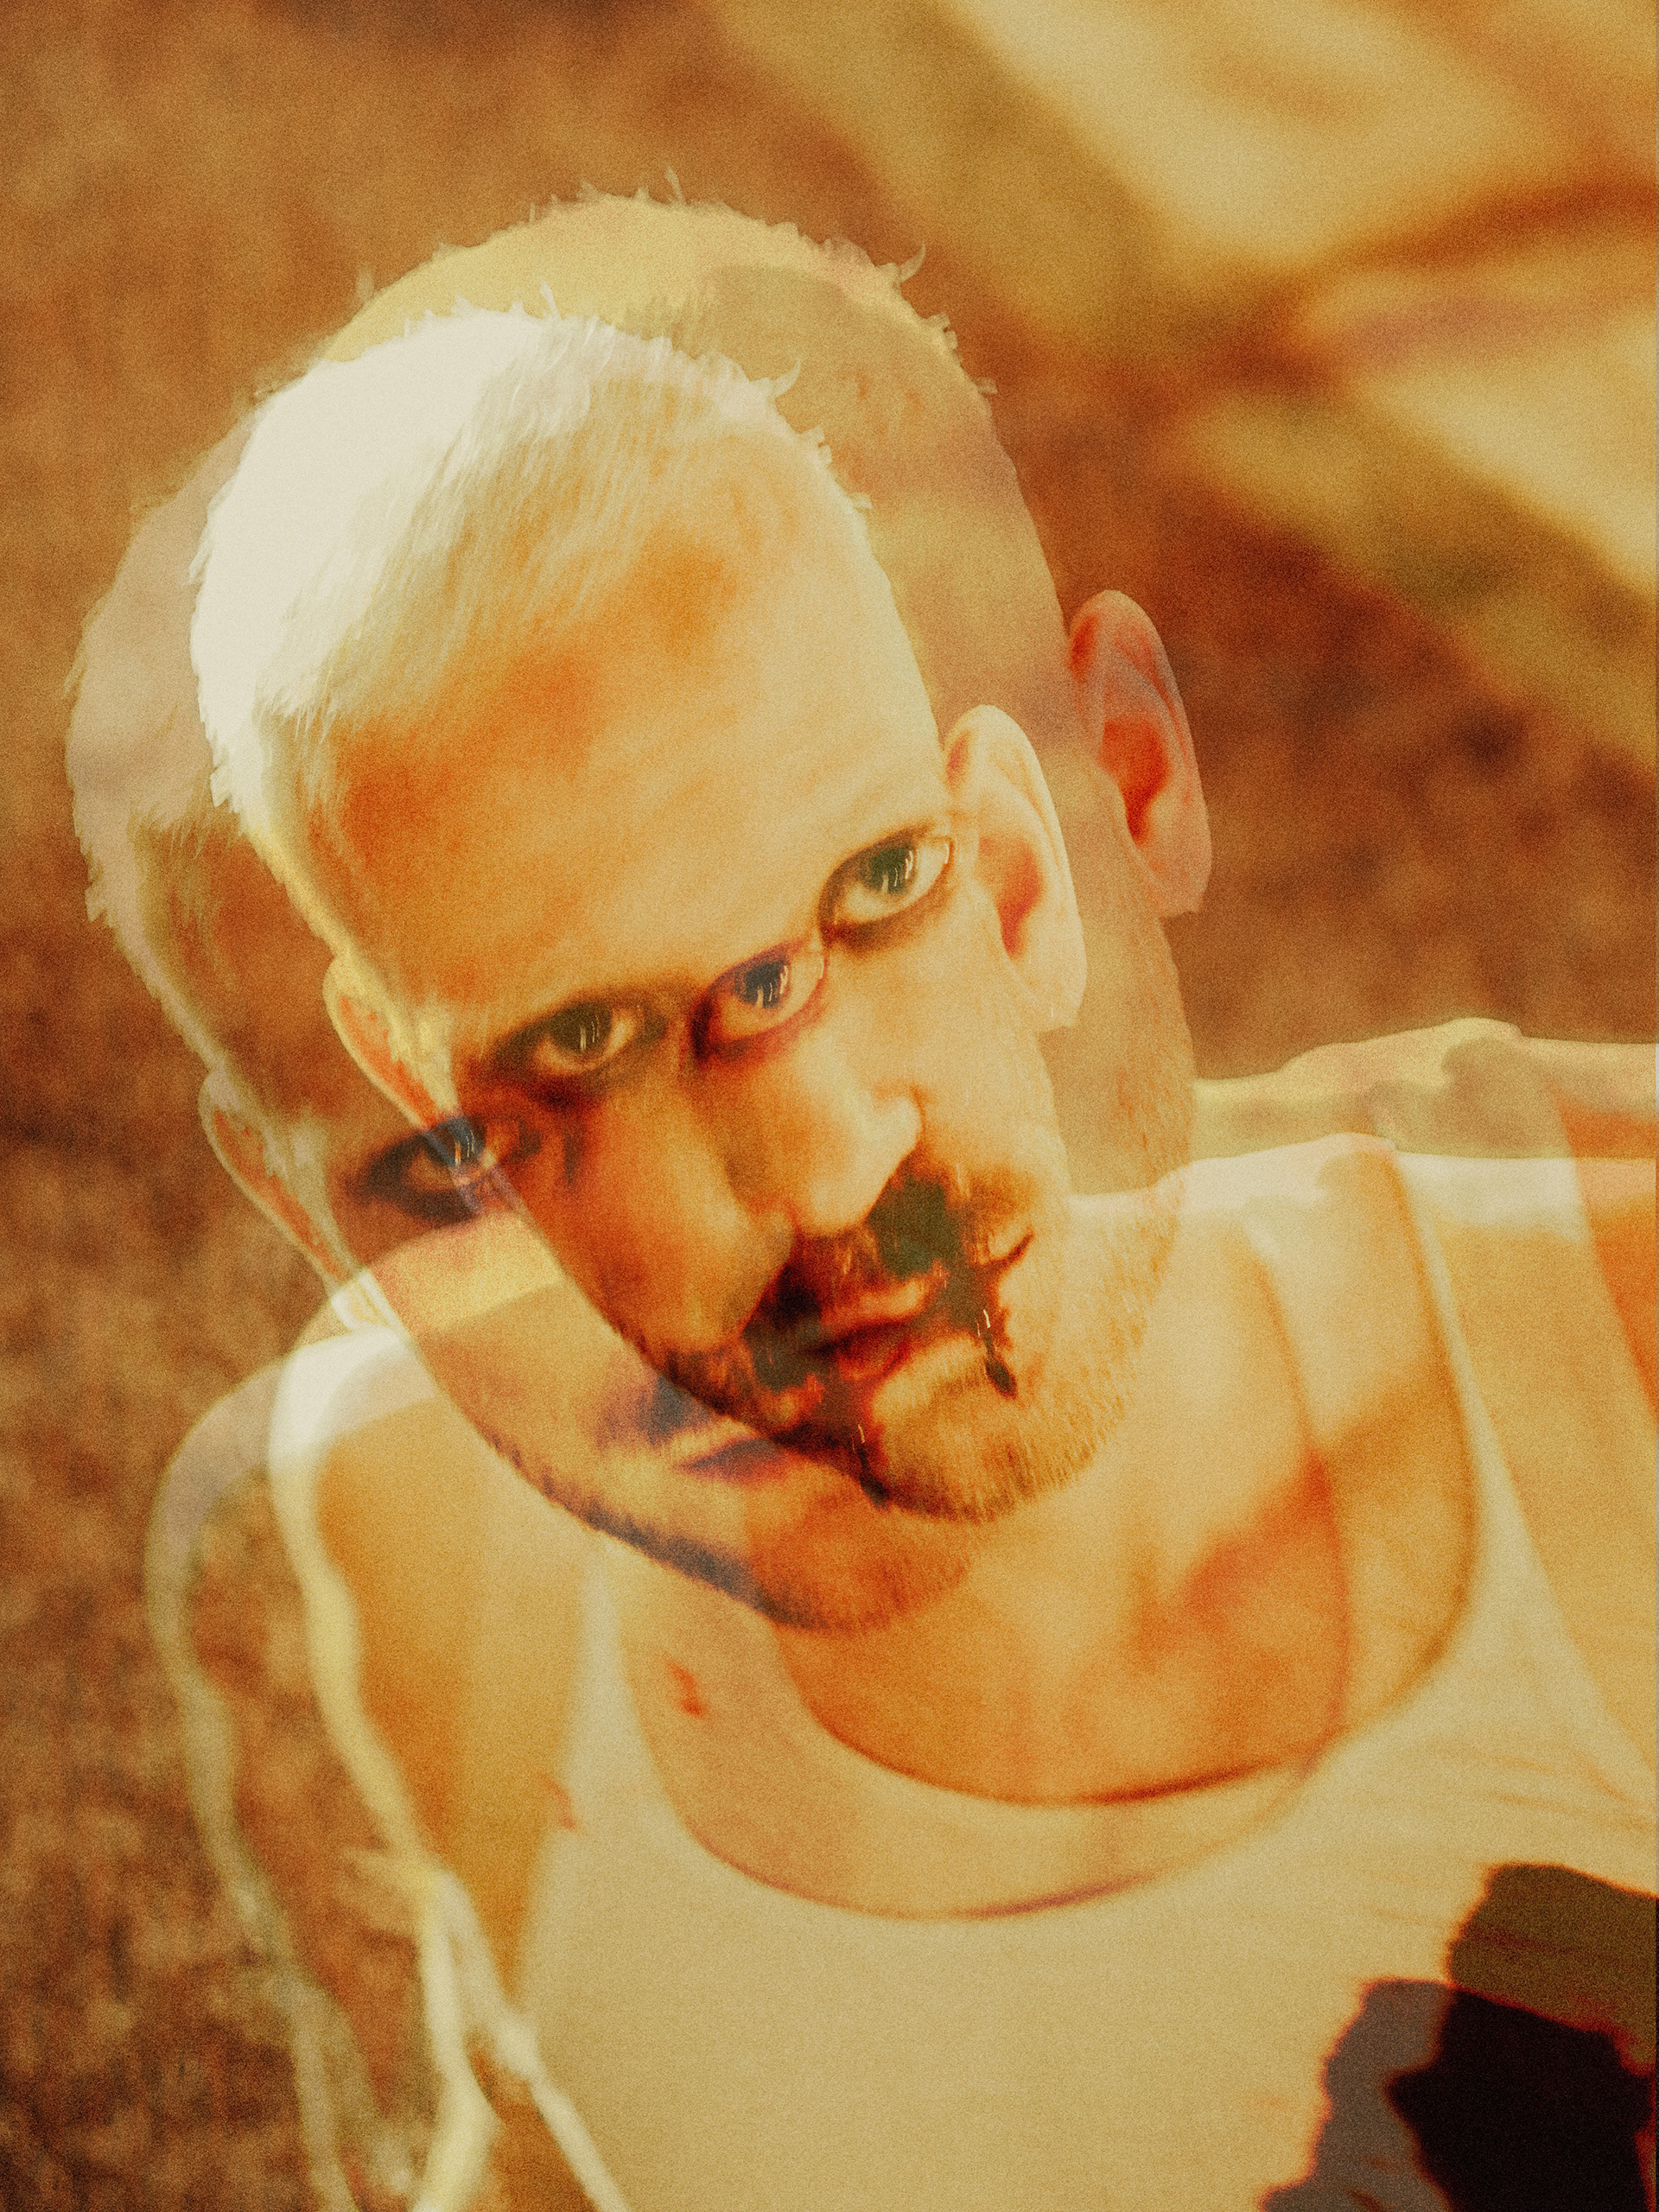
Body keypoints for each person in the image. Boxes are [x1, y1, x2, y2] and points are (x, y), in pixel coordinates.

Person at [86, 195, 1655, 2211]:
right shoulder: (415, 1526)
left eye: (875, 891)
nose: (832, 1165)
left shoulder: (1620, 1375)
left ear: (1017, 869)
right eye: (591, 1039)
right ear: (431, 1101)